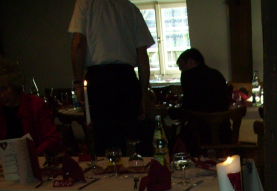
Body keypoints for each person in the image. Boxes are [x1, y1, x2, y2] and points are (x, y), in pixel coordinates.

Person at [68, 0, 155, 156]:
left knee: (104, 140)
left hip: (99, 80)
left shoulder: (85, 3)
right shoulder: (130, 8)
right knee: (130, 139)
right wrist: (143, 93)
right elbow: (142, 56)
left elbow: (79, 43)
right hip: (126, 78)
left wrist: (78, 82)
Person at [173, 48, 231, 154]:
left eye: (182, 67)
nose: (181, 70)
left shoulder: (188, 76)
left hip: (200, 132)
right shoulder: (216, 74)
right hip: (223, 129)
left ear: (191, 62)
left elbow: (189, 105)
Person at [0, 58, 62, 156]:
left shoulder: (34, 104)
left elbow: (53, 138)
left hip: (36, 159)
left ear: (15, 86)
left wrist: (34, 153)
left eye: (4, 89)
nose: (1, 95)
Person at [177, 48, 230, 113]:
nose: (180, 68)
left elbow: (189, 101)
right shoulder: (216, 73)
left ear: (191, 62)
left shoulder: (187, 75)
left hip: (199, 116)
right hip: (221, 116)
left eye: (182, 65)